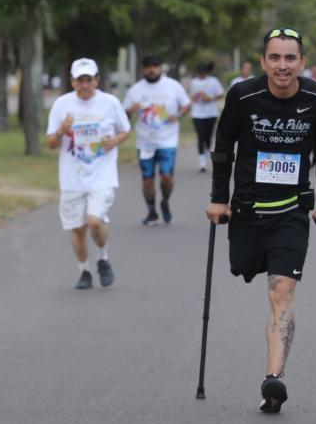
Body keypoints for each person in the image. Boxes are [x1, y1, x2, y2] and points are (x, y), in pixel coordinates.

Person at [205, 27, 316, 414]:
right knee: (244, 267)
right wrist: (218, 199)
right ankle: (273, 377)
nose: (283, 66)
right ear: (262, 61)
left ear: (302, 62)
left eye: (290, 58)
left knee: (282, 293)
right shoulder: (243, 95)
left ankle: (272, 381)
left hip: (292, 210)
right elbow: (223, 148)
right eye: (275, 58)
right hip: (247, 210)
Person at [46, 57, 131, 289]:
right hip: (72, 177)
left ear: (97, 80)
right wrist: (61, 131)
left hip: (101, 174)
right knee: (78, 228)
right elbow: (51, 143)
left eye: (89, 79)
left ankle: (103, 257)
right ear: (72, 81)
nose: (85, 85)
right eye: (80, 80)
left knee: (94, 222)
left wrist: (115, 141)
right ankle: (84, 271)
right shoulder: (62, 105)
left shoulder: (110, 102)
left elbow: (125, 130)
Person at [121, 55, 190, 225]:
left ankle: (165, 202)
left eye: (155, 66)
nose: (152, 69)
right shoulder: (135, 90)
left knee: (166, 177)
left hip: (168, 140)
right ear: (143, 69)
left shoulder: (173, 86)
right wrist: (131, 110)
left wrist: (179, 115)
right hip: (145, 142)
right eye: (148, 66)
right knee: (148, 180)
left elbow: (186, 104)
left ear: (160, 68)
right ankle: (151, 211)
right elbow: (123, 115)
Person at [187, 62, 225, 172]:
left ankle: (207, 150)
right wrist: (195, 97)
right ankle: (202, 162)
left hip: (211, 113)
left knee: (208, 137)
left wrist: (210, 98)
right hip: (197, 113)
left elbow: (221, 94)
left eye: (203, 73)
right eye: (200, 73)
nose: (201, 75)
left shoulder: (213, 81)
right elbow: (191, 95)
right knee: (200, 136)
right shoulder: (193, 82)